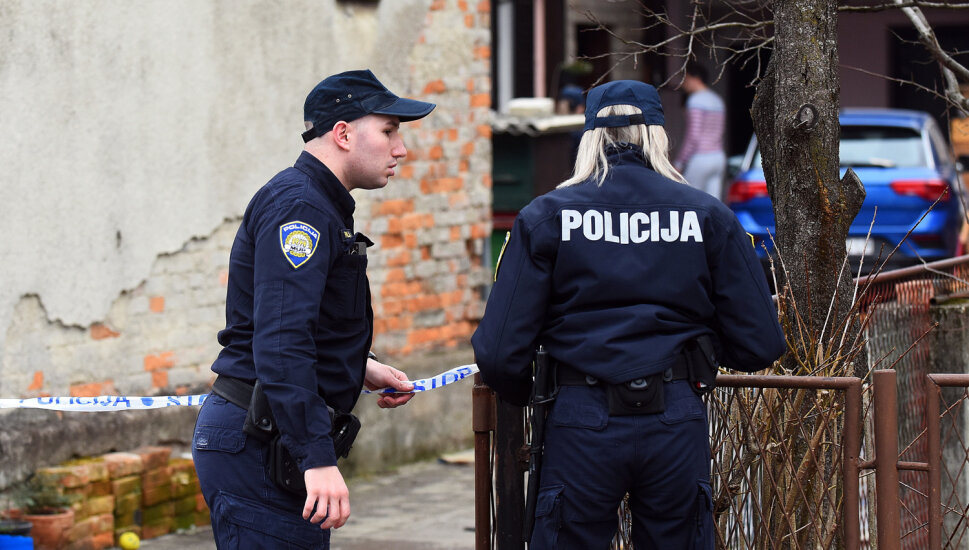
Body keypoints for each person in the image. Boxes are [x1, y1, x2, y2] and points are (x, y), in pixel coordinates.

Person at [471, 80, 785, 549]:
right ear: (658, 134)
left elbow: (499, 353)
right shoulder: (707, 215)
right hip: (676, 414)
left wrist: (533, 393)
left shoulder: (547, 217)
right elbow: (760, 343)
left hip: (579, 413)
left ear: (589, 137)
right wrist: (697, 357)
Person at [192, 69, 434, 549]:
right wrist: (316, 457)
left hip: (270, 434)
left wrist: (360, 366)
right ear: (343, 134)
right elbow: (282, 341)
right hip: (260, 439)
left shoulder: (318, 204)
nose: (401, 149)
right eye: (389, 131)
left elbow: (298, 323)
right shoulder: (300, 209)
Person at [675, 61, 727, 200]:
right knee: (713, 202)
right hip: (718, 156)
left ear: (695, 78)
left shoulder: (695, 100)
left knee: (690, 200)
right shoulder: (717, 100)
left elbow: (693, 136)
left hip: (700, 157)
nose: (684, 84)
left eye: (686, 79)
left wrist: (679, 162)